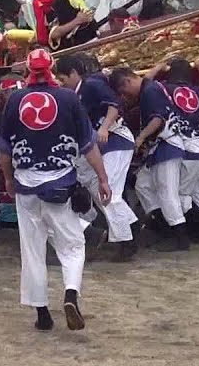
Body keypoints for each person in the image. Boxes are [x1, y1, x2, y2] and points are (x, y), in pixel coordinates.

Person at [0, 48, 111, 331]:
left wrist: (8, 179)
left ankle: (42, 314)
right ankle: (71, 293)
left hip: (25, 187)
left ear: (28, 71)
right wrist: (103, 178)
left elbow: (4, 148)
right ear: (51, 68)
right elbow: (88, 145)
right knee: (72, 245)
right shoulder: (68, 98)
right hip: (59, 184)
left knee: (32, 249)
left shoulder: (15, 100)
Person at [57, 53, 141, 261]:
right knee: (96, 189)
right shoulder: (75, 94)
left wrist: (104, 128)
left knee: (109, 193)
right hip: (98, 146)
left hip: (115, 141)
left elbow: (115, 105)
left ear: (75, 73)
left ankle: (126, 241)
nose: (62, 83)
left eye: (63, 78)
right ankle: (130, 226)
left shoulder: (92, 84)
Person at [111, 63, 193, 252]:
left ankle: (180, 236)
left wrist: (140, 137)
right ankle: (163, 224)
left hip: (167, 145)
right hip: (159, 147)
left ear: (127, 82)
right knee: (143, 184)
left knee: (167, 191)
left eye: (123, 91)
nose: (125, 96)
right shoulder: (149, 87)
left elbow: (158, 118)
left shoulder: (150, 91)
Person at [166, 57, 199, 240]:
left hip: (189, 150)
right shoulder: (196, 92)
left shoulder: (167, 91)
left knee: (182, 192)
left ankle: (187, 230)